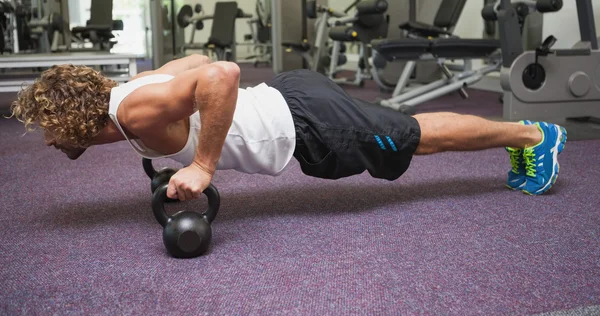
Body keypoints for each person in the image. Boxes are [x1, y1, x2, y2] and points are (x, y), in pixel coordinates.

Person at [10, 54, 567, 200]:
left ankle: (534, 137)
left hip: (306, 122)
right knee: (409, 128)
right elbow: (195, 60)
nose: (49, 141)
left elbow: (220, 74)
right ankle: (525, 138)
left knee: (416, 136)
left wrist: (203, 165)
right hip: (290, 95)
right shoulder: (134, 88)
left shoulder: (130, 111)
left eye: (49, 130)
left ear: (75, 121)